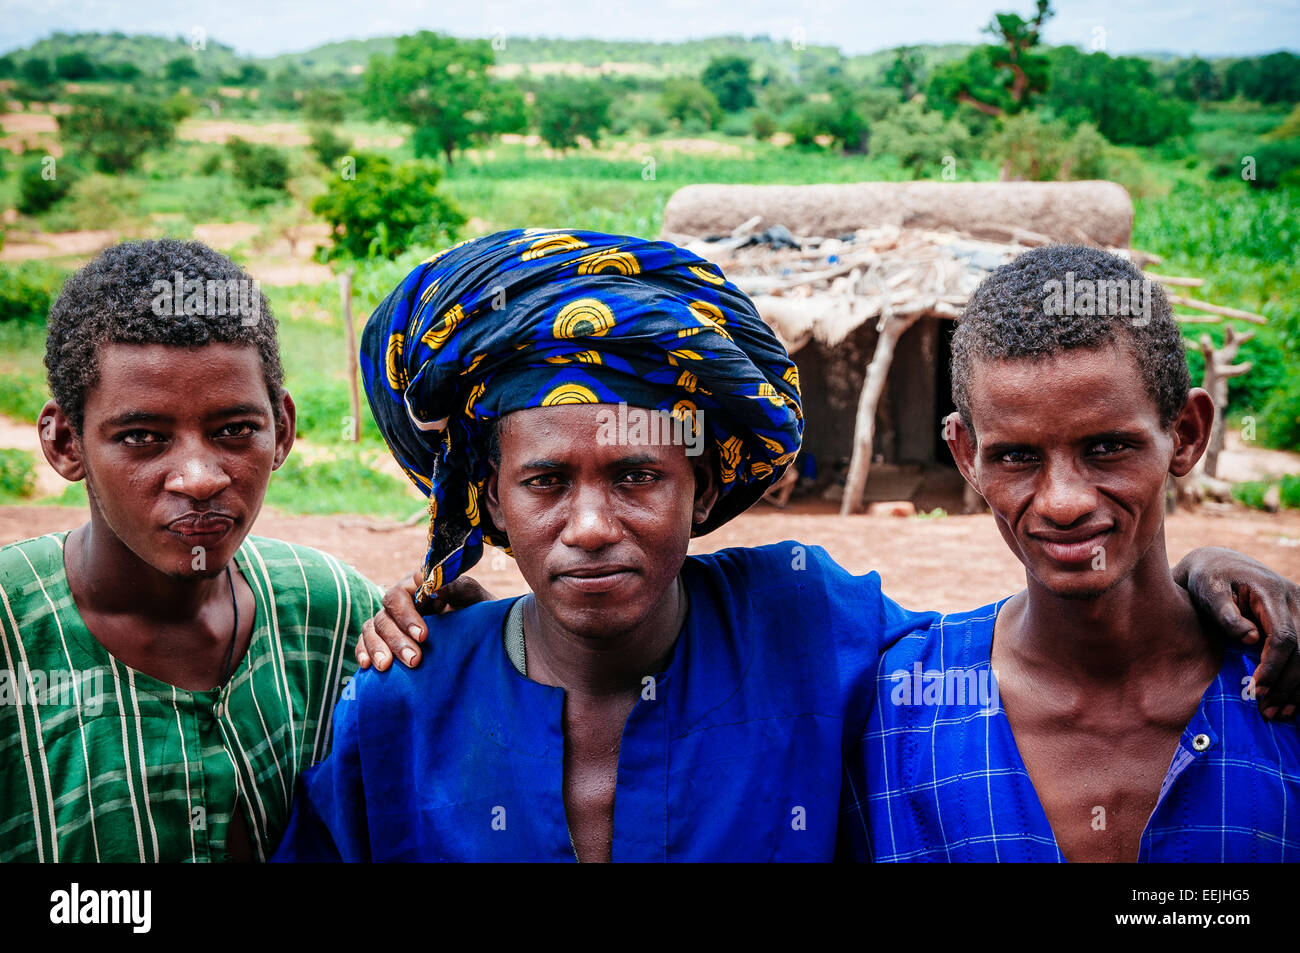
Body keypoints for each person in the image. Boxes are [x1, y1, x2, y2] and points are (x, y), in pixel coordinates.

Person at [277, 230, 1300, 863]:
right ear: (486, 496)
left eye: (637, 474)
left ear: (703, 483)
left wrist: (1203, 572)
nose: (590, 525)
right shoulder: (403, 702)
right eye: (545, 480)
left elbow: (1055, 634)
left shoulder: (807, 624)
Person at [853, 245, 1300, 862]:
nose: (1063, 502)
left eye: (1108, 447)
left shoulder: (1281, 688)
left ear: (1188, 435)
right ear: (966, 456)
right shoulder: (894, 708)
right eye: (1016, 456)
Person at [0, 240, 382, 862]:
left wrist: (469, 645)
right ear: (66, 443)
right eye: (143, 437)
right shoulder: (12, 636)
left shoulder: (332, 611)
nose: (200, 478)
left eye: (235, 431)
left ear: (281, 430)